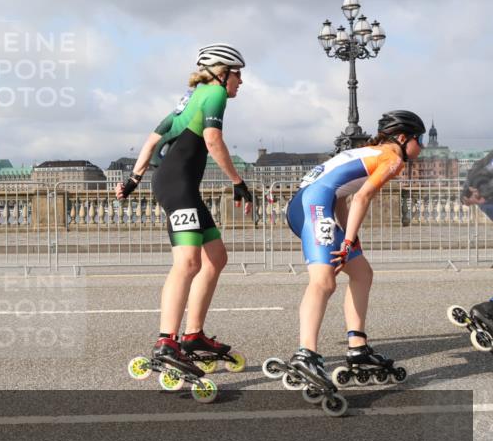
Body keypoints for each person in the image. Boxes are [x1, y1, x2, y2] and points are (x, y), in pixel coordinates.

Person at [116, 43, 253, 367]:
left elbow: (152, 140)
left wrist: (134, 180)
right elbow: (213, 140)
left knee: (216, 257)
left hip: (179, 186)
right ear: (223, 73)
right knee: (189, 262)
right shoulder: (214, 94)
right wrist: (237, 181)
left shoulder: (190, 99)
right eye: (238, 75)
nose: (240, 82)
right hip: (178, 187)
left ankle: (193, 335)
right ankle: (166, 340)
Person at [284, 110, 426, 385]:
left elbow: (340, 196)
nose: (421, 146)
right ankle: (306, 353)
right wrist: (347, 241)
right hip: (312, 205)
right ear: (402, 137)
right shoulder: (392, 158)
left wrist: (351, 239)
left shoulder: (368, 152)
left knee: (362, 273)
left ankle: (358, 345)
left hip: (313, 202)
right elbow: (362, 197)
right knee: (324, 281)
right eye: (419, 139)